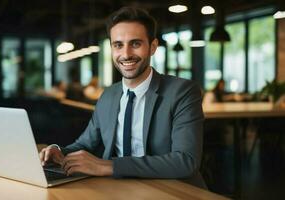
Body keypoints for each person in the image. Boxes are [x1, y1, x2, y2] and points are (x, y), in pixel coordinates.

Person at [40, 6, 206, 188]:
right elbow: (85, 144)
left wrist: (108, 166)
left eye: (135, 44)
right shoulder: (109, 95)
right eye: (118, 45)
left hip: (172, 190)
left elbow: (186, 161)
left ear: (152, 47)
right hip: (118, 189)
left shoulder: (183, 91)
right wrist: (57, 151)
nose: (126, 54)